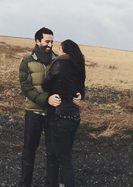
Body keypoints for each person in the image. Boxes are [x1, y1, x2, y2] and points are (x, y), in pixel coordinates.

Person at [42, 39, 87, 187]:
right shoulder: (78, 66)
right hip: (74, 117)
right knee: (65, 155)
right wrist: (80, 96)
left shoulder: (59, 63)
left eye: (59, 48)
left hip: (60, 117)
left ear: (63, 49)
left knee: (64, 160)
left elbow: (45, 84)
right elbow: (81, 90)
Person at [18, 27, 58, 186]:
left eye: (52, 42)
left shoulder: (58, 61)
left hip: (52, 114)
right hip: (33, 112)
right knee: (29, 152)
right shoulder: (26, 61)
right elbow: (26, 88)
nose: (50, 45)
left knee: (53, 154)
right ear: (37, 41)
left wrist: (78, 94)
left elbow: (67, 83)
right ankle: (25, 183)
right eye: (47, 41)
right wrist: (46, 99)